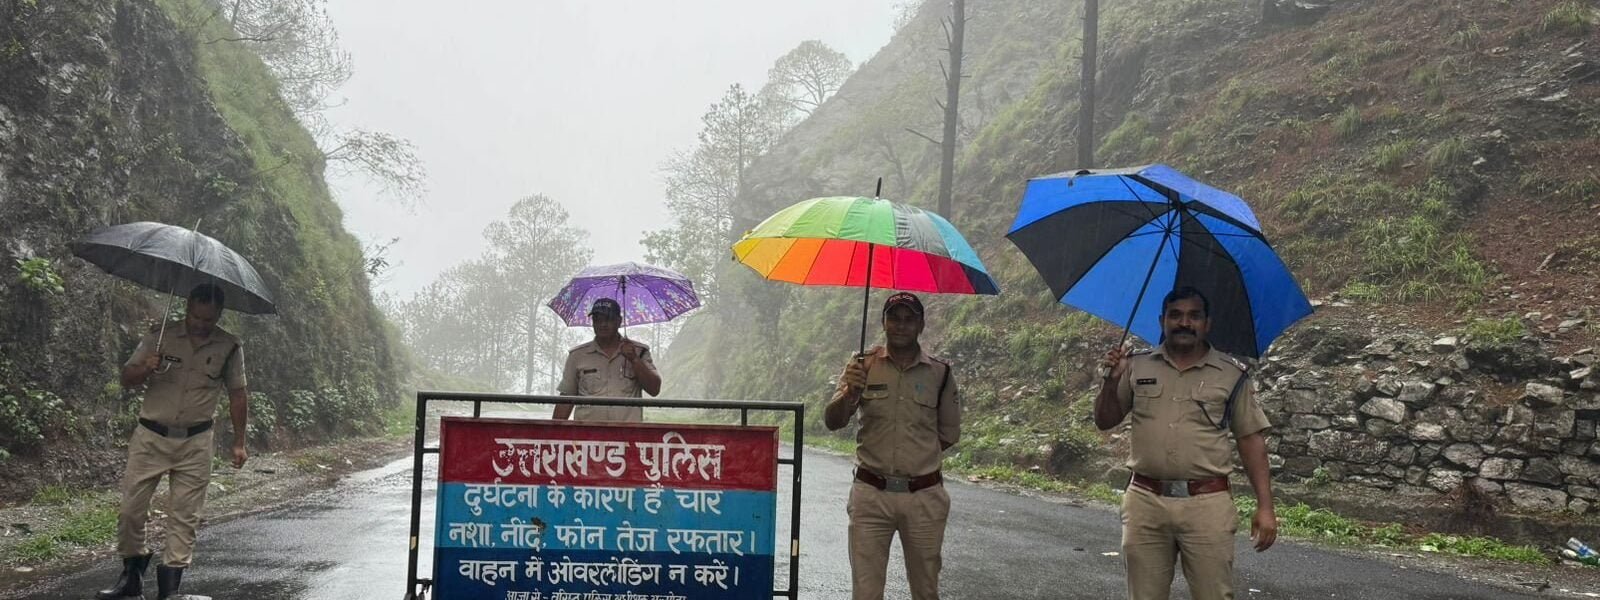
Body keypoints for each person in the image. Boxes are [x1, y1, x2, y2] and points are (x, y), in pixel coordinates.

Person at [1094, 286, 1278, 600]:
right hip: (1145, 502)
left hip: (1207, 505)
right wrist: (1111, 382)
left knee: (1214, 595)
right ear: (1162, 320)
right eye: (1176, 315)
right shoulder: (1137, 365)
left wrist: (1266, 507)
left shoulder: (1232, 375)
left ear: (1207, 324)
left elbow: (1250, 439)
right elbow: (1105, 420)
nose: (1184, 323)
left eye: (1194, 316)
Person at [99, 283, 248, 600]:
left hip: (195, 443)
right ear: (187, 308)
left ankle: (171, 592)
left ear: (219, 315)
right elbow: (126, 378)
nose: (201, 325)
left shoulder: (230, 347)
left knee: (184, 517)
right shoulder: (160, 334)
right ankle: (131, 578)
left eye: (209, 320)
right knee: (130, 511)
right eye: (196, 317)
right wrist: (145, 368)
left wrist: (239, 442)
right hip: (150, 438)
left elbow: (237, 394)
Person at [825, 292, 961, 600]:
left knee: (926, 590)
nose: (901, 326)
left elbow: (949, 433)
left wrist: (916, 461)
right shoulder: (862, 366)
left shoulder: (940, 373)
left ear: (921, 324)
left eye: (908, 319)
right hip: (870, 497)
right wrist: (849, 392)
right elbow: (833, 421)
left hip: (924, 499)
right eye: (894, 318)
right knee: (866, 592)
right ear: (883, 322)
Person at [553, 297, 661, 421]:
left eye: (608, 319)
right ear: (592, 322)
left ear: (619, 321)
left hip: (627, 435)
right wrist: (551, 434)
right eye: (597, 319)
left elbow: (654, 389)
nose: (602, 324)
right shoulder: (577, 356)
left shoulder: (639, 352)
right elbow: (566, 398)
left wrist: (634, 359)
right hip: (587, 436)